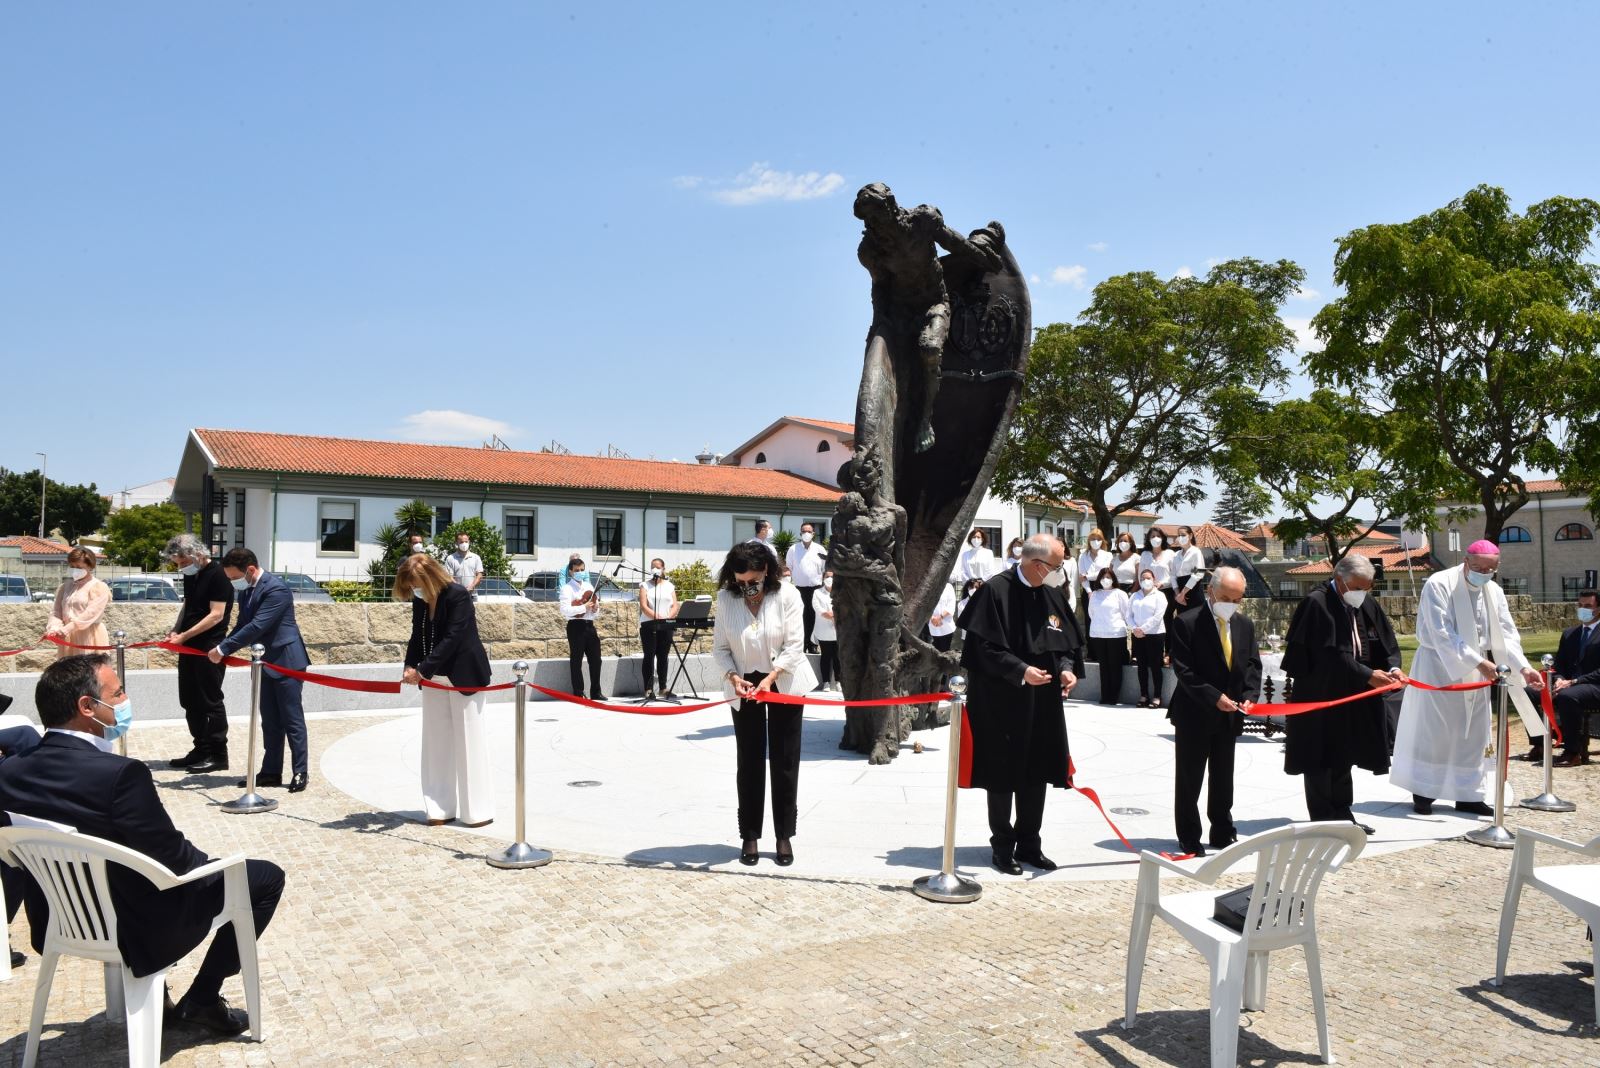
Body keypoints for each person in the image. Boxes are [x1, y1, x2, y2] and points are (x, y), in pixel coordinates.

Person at [0, 654, 284, 1036]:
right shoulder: (120, 774)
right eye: (117, 693)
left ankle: (161, 998)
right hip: (134, 928)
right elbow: (178, 862)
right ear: (87, 707)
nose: (124, 700)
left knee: (128, 871)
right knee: (264, 877)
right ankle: (202, 999)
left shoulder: (9, 772)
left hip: (58, 920)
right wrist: (217, 866)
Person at [957, 533, 1083, 874]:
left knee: (1037, 771)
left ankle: (1030, 843)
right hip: (1001, 700)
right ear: (1038, 565)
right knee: (1002, 774)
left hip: (1042, 701)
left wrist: (1068, 670)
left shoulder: (1051, 593)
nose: (1061, 573)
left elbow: (1066, 643)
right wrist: (1021, 670)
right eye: (1057, 566)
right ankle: (1002, 847)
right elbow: (981, 649)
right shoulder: (994, 591)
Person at [1391, 541, 1544, 814]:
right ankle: (1424, 792)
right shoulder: (1439, 584)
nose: (1484, 573)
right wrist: (1480, 662)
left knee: (1473, 733)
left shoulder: (1493, 590)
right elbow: (1441, 633)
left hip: (1479, 670)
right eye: (1478, 568)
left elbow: (1507, 634)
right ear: (1465, 561)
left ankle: (1468, 794)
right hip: (1438, 667)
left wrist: (1523, 667)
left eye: (1490, 569)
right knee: (1435, 732)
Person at [1280, 554, 1404, 833]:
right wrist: (1367, 675)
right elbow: (1328, 655)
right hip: (1321, 693)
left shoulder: (1364, 601)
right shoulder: (1317, 603)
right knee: (1319, 757)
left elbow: (1385, 641)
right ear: (1340, 580)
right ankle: (1323, 818)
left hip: (1354, 696)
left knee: (1344, 754)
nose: (1363, 593)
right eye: (1359, 587)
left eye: (1367, 587)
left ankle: (1343, 812)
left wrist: (1393, 669)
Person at [711, 541, 817, 867]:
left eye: (753, 580)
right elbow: (719, 648)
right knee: (750, 761)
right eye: (740, 581)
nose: (747, 587)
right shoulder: (727, 599)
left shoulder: (787, 596)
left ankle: (783, 834)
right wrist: (732, 676)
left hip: (782, 682)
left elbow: (795, 645)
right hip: (743, 687)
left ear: (766, 571)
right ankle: (750, 834)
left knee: (785, 760)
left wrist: (771, 678)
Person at [1168, 566, 1261, 856]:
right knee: (1190, 779)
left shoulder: (1244, 625)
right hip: (1195, 713)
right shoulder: (1187, 622)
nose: (1231, 605)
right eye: (1226, 598)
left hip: (1229, 714)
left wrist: (1249, 696)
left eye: (1237, 600)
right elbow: (1184, 671)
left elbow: (1252, 666)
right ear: (1211, 591)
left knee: (1223, 778)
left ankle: (1222, 830)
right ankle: (1189, 835)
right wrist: (1213, 696)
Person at [396, 553, 494, 827]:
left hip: (464, 675)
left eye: (416, 583)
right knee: (436, 744)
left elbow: (453, 637)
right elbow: (417, 635)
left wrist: (422, 670)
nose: (414, 590)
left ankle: (477, 811)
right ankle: (439, 808)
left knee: (469, 744)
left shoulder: (458, 595)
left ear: (430, 577)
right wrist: (409, 665)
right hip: (433, 677)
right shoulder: (421, 600)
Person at [209, 548, 311, 793]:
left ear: (251, 570)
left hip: (287, 661)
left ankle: (300, 772)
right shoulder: (248, 592)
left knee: (292, 719)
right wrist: (223, 648)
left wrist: (222, 650)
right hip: (263, 662)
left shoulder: (276, 589)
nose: (233, 583)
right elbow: (242, 624)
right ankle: (271, 772)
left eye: (234, 577)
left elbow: (257, 625)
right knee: (270, 721)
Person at [164, 534, 234, 775]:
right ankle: (200, 748)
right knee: (189, 699)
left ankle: (218, 754)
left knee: (210, 700)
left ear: (198, 554)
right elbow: (188, 605)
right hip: (188, 645)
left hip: (209, 646)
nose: (182, 567)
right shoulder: (192, 575)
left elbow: (216, 614)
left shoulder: (219, 575)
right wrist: (176, 629)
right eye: (178, 564)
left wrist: (183, 636)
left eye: (184, 562)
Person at [1523, 589, 1600, 765]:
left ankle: (1573, 752)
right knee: (1527, 692)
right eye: (1580, 605)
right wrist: (1558, 679)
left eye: (1588, 606)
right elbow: (1559, 665)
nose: (1583, 609)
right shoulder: (1570, 634)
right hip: (1567, 684)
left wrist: (1573, 682)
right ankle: (1539, 744)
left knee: (1568, 696)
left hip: (1594, 686)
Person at [44, 547, 111, 657]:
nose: (75, 570)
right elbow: (56, 612)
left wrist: (67, 628)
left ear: (90, 566)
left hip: (88, 635)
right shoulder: (65, 587)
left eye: (79, 567)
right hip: (67, 636)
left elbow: (91, 613)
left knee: (89, 670)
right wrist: (54, 628)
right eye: (72, 567)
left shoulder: (98, 587)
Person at [559, 556, 605, 700]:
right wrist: (582, 607)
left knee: (596, 659)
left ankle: (596, 692)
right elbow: (565, 610)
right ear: (571, 572)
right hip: (575, 626)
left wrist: (596, 608)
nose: (580, 572)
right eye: (577, 570)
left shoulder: (589, 587)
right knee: (576, 659)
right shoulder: (567, 588)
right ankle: (578, 692)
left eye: (582, 570)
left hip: (589, 626)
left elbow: (595, 613)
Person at [1086, 567, 1131, 705]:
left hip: (1116, 633)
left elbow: (1126, 613)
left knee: (1114, 665)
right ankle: (1105, 695)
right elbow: (1091, 613)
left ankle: (1114, 696)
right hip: (1099, 633)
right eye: (1103, 577)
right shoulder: (1095, 594)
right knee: (1103, 666)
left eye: (1109, 577)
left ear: (1113, 579)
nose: (1106, 580)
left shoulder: (1120, 594)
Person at [638, 558, 679, 700]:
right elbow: (643, 606)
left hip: (666, 625)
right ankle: (648, 689)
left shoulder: (669, 586)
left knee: (663, 656)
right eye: (652, 567)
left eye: (657, 567)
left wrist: (668, 617)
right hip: (649, 625)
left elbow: (675, 605)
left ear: (663, 569)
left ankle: (663, 688)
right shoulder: (645, 585)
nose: (655, 569)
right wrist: (656, 616)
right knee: (649, 656)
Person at [1128, 568, 1168, 708]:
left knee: (1155, 666)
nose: (1146, 581)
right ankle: (1143, 694)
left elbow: (1158, 617)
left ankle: (1157, 696)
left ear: (1154, 579)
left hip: (1155, 634)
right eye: (1143, 578)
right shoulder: (1135, 596)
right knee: (1141, 666)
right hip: (1138, 635)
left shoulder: (1160, 596)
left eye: (1148, 578)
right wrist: (1135, 629)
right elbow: (1128, 615)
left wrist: (1143, 629)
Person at [786, 522, 828, 653]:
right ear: (800, 533)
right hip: (799, 589)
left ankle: (813, 644)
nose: (806, 534)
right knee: (800, 617)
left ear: (813, 534)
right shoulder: (793, 549)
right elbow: (788, 568)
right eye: (804, 531)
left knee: (815, 617)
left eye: (809, 531)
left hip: (816, 588)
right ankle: (802, 644)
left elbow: (825, 569)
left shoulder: (820, 549)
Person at [1077, 529, 1112, 655]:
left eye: (1098, 539)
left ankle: (1103, 650)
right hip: (1088, 590)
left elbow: (1104, 573)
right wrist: (1088, 591)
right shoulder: (1082, 555)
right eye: (1092, 539)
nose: (1095, 542)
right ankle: (1092, 652)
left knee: (1103, 618)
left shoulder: (1107, 555)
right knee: (1089, 620)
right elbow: (1081, 576)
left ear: (1102, 541)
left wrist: (1088, 575)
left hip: (1103, 587)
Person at [812, 570, 839, 691]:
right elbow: (816, 607)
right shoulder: (817, 592)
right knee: (826, 656)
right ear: (823, 578)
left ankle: (839, 681)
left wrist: (836, 615)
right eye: (827, 576)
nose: (829, 578)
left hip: (838, 630)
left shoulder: (840, 592)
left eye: (832, 577)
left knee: (838, 657)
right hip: (823, 630)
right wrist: (827, 614)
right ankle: (826, 682)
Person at [1171, 525, 1208, 607]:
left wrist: (1183, 593)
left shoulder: (1196, 552)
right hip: (1179, 591)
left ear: (1190, 536)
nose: (1180, 537)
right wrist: (1178, 594)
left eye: (1183, 535)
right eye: (1179, 535)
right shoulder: (1176, 555)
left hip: (1193, 589)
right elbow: (1173, 575)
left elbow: (1198, 573)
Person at [443, 531, 484, 598]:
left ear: (469, 542)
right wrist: (460, 589)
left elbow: (479, 575)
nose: (464, 544)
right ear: (456, 543)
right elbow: (449, 576)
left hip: (472, 595)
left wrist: (471, 587)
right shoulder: (450, 558)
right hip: (456, 595)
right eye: (461, 542)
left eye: (466, 541)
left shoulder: (476, 557)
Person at [928, 580, 958, 653]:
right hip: (932, 625)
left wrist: (940, 617)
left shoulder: (948, 587)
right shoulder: (929, 585)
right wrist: (931, 618)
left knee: (946, 652)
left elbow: (951, 606)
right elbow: (924, 605)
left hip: (946, 626)